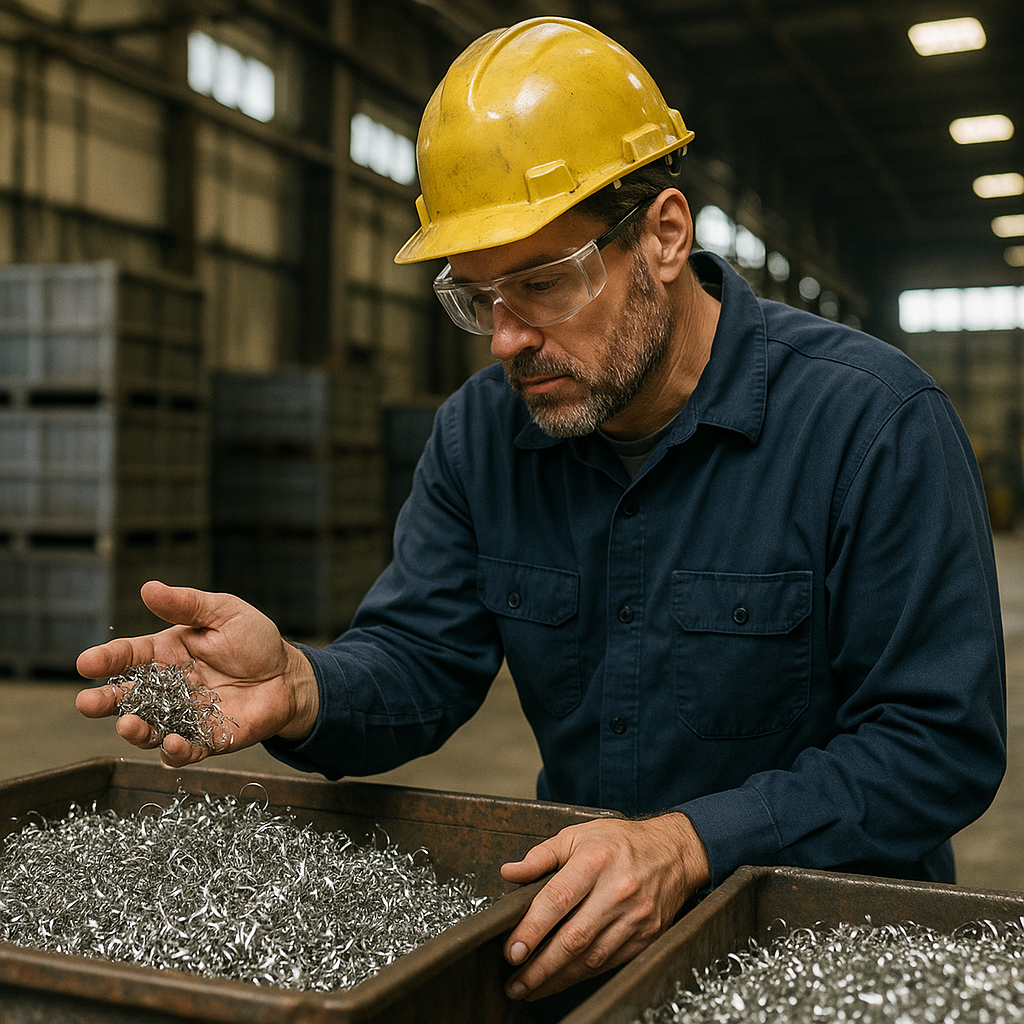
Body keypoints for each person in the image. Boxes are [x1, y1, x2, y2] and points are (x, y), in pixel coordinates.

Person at [76, 16, 1006, 1007]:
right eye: (477, 298)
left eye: (541, 284)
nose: (506, 340)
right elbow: (422, 661)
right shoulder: (484, 436)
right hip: (581, 936)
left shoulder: (869, 423)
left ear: (663, 235)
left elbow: (934, 742)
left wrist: (691, 842)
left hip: (827, 956)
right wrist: (302, 685)